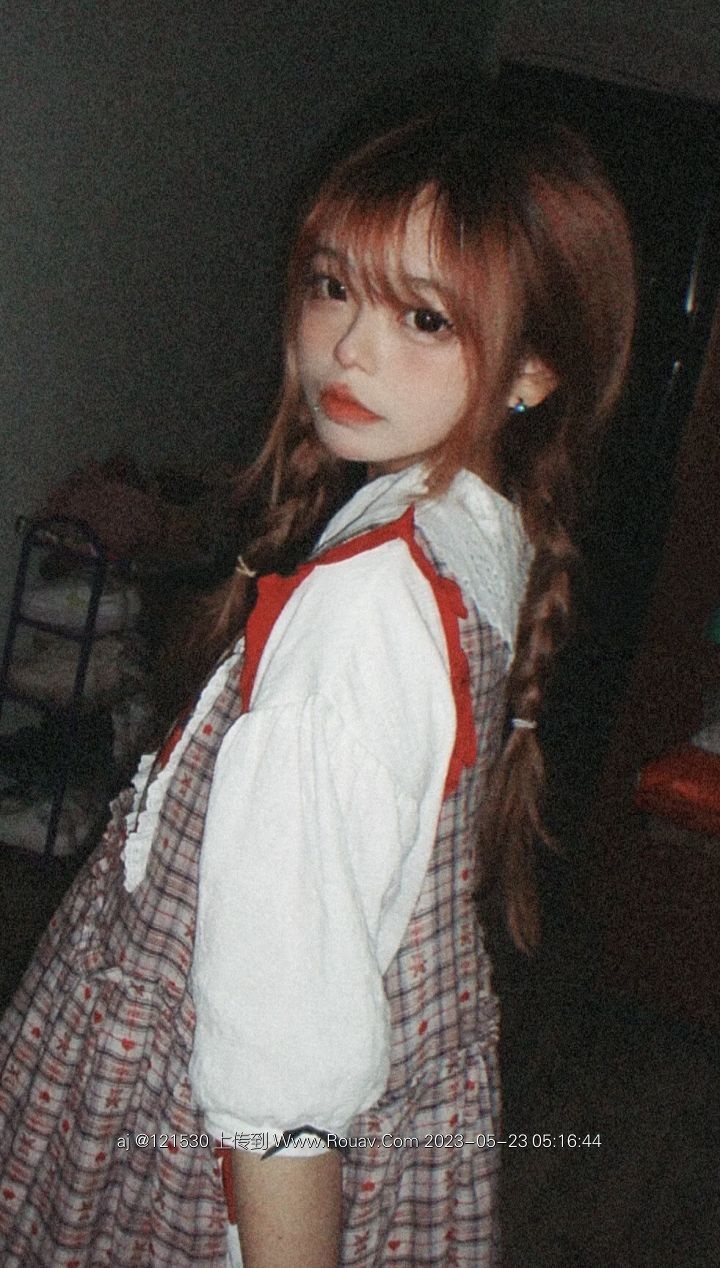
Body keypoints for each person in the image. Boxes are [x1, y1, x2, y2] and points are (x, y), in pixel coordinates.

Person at [0, 98, 635, 1267]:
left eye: (425, 317)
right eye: (334, 286)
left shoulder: (357, 618)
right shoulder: (472, 526)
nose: (350, 348)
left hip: (211, 1162)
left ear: (533, 368)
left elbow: (280, 1074)